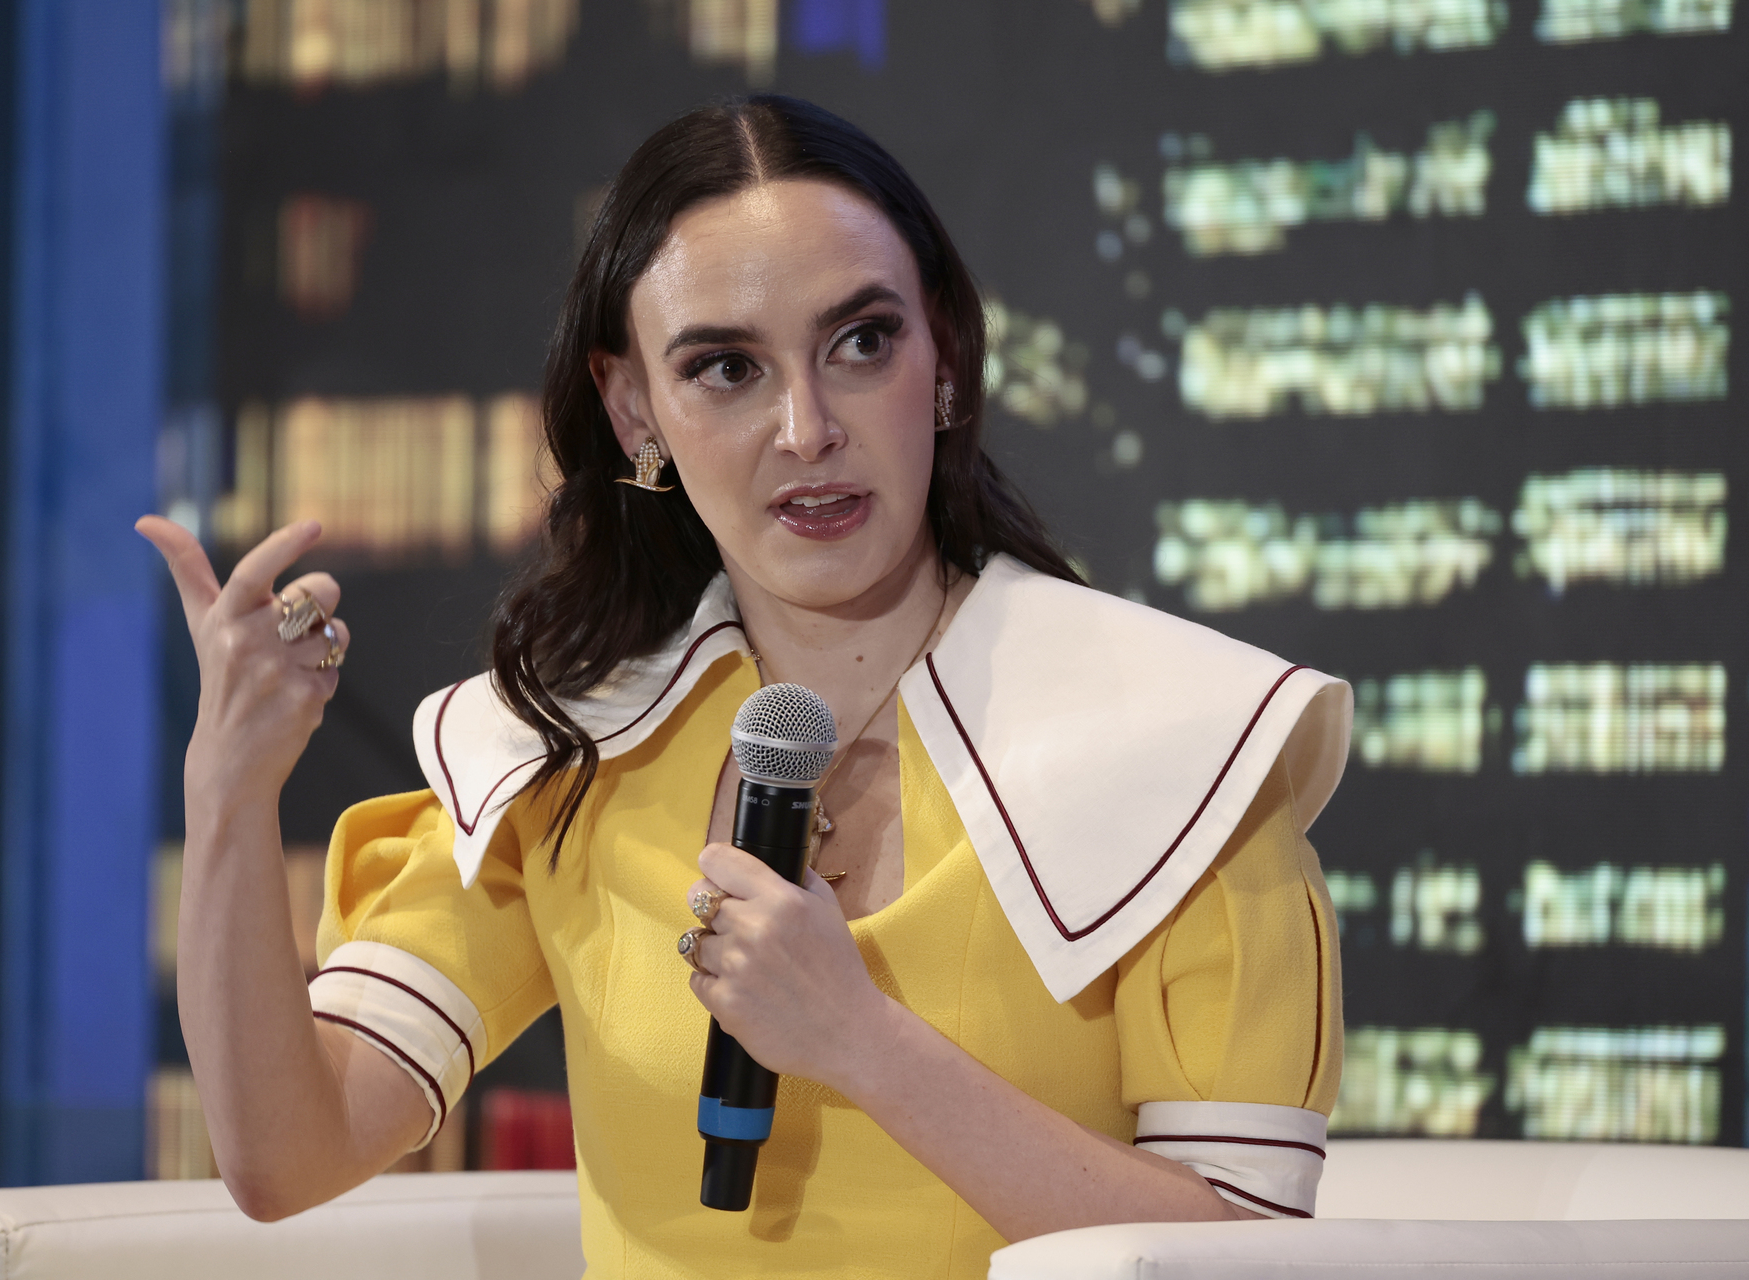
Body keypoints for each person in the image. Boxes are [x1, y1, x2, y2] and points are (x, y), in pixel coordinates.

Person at [138, 95, 1351, 1277]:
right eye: (727, 367)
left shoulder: (1178, 754)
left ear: (941, 352)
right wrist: (230, 788)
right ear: (634, 409)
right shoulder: (564, 750)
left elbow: (1242, 1260)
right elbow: (287, 1155)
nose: (807, 428)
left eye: (861, 342)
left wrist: (862, 1041)